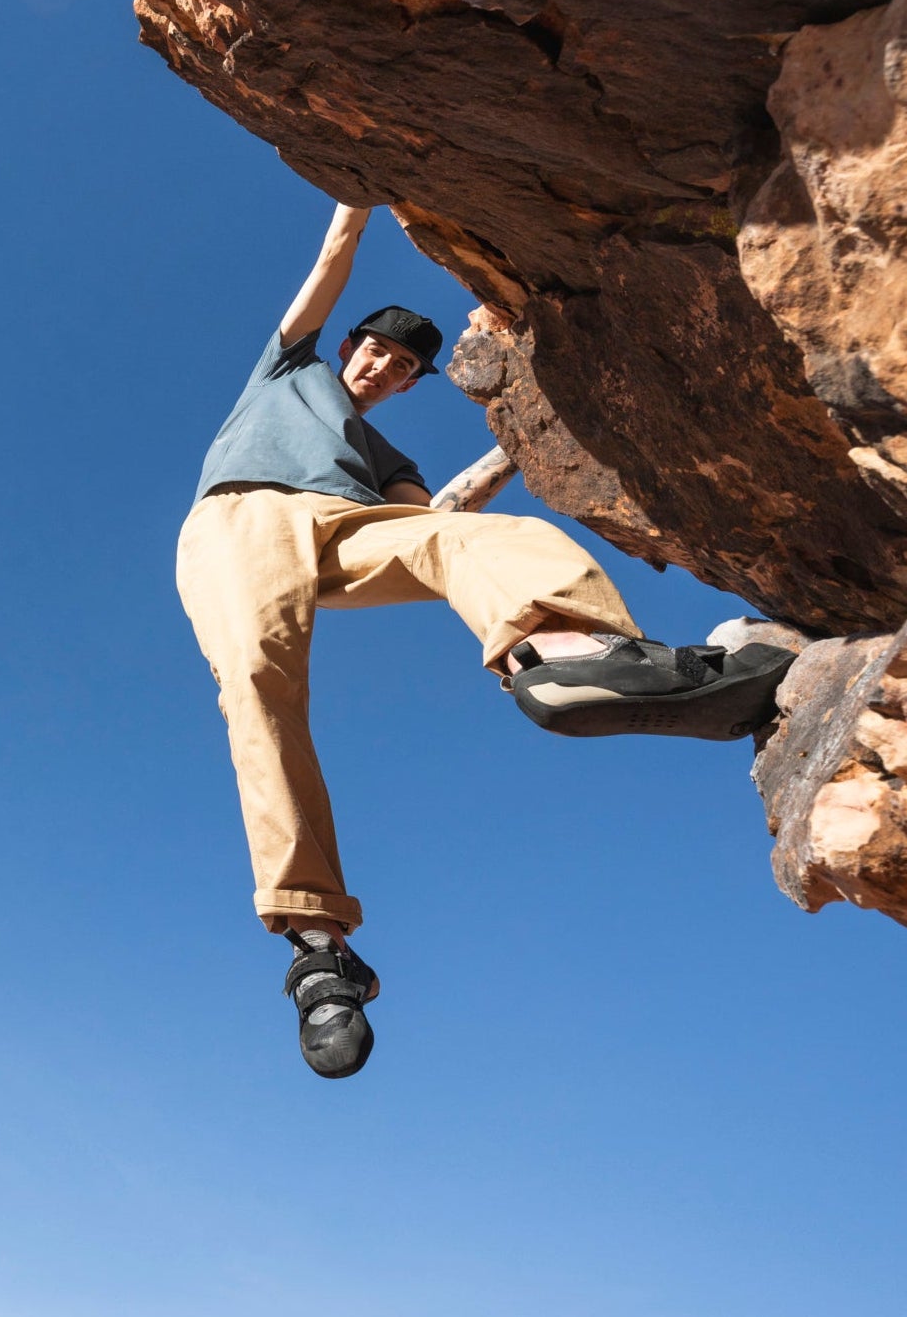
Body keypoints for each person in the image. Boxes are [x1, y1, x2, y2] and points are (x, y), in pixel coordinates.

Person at [176, 203, 794, 1079]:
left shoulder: (387, 458)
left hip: (349, 524)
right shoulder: (289, 369)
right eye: (375, 350)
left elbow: (436, 520)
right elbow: (331, 261)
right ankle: (318, 944)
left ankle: (572, 659)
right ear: (350, 347)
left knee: (478, 539)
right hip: (242, 517)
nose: (382, 367)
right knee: (256, 685)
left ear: (409, 385)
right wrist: (357, 197)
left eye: (402, 366)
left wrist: (523, 446)